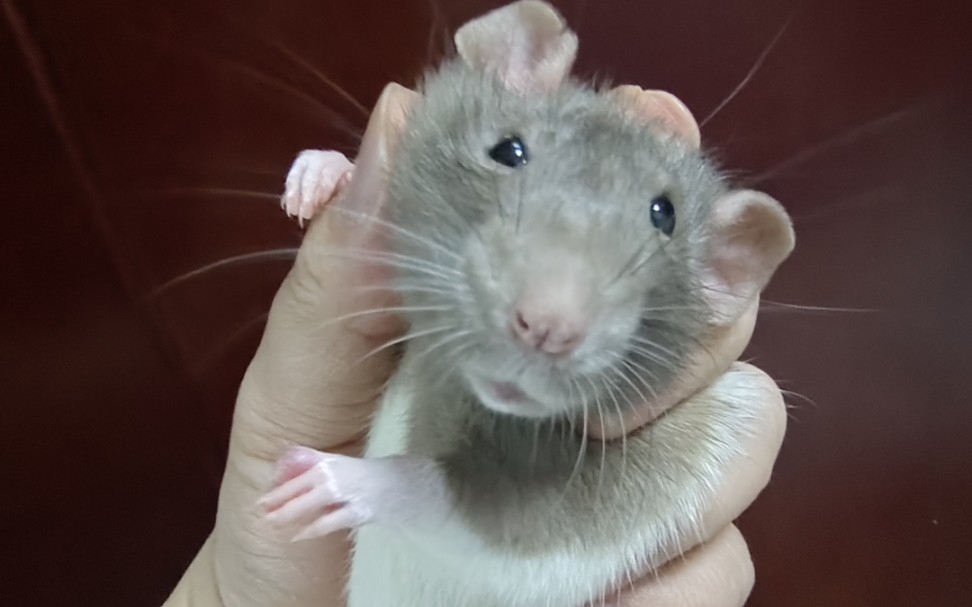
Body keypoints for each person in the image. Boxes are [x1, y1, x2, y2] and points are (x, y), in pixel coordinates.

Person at [163, 83, 786, 607]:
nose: (548, 319)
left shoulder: (615, 399)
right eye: (513, 154)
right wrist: (353, 187)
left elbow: (519, 530)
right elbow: (410, 212)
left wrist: (378, 488)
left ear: (723, 272)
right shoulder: (448, 204)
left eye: (658, 219)